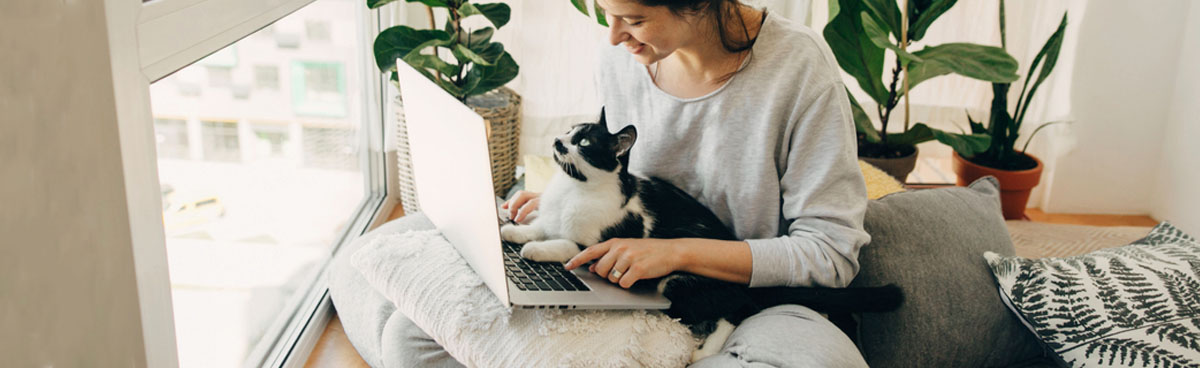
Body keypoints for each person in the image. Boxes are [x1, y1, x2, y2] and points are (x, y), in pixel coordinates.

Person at [500, 0, 872, 366]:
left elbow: (830, 254)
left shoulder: (798, 69)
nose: (613, 36)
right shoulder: (620, 59)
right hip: (633, 290)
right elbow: (624, 184)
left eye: (633, 18)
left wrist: (678, 252)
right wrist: (578, 201)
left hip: (759, 304)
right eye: (605, 13)